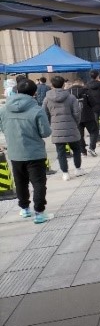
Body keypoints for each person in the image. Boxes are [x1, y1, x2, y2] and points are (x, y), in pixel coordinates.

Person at [0, 79, 52, 224]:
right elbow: (45, 132)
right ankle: (39, 212)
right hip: (35, 152)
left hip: (15, 152)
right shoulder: (37, 110)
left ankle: (25, 209)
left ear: (16, 90)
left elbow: (2, 127)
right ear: (34, 93)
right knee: (38, 183)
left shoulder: (4, 109)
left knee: (20, 182)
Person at [43, 76, 83, 181]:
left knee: (60, 152)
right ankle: (78, 169)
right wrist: (75, 123)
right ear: (64, 84)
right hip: (71, 127)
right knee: (76, 149)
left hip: (56, 128)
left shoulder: (47, 99)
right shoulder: (71, 97)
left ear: (52, 85)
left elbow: (44, 114)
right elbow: (77, 113)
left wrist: (51, 124)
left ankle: (65, 173)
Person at [69, 78, 99, 156]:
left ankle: (83, 151)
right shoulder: (86, 91)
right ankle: (92, 148)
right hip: (88, 115)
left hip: (75, 117)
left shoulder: (69, 93)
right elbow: (93, 103)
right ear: (81, 84)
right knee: (93, 131)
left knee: (79, 135)